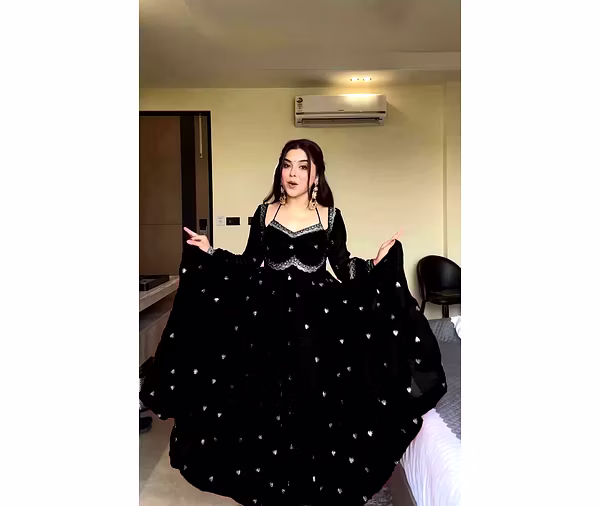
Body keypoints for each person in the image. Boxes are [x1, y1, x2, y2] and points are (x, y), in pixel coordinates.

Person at [139, 139, 446, 506]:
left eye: (303, 166)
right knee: (266, 407)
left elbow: (344, 267)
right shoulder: (265, 213)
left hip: (317, 328)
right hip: (266, 324)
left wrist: (376, 264)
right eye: (287, 165)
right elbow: (247, 264)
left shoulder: (330, 216)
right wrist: (209, 251)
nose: (293, 173)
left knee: (312, 403)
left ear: (316, 175)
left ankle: (308, 488)